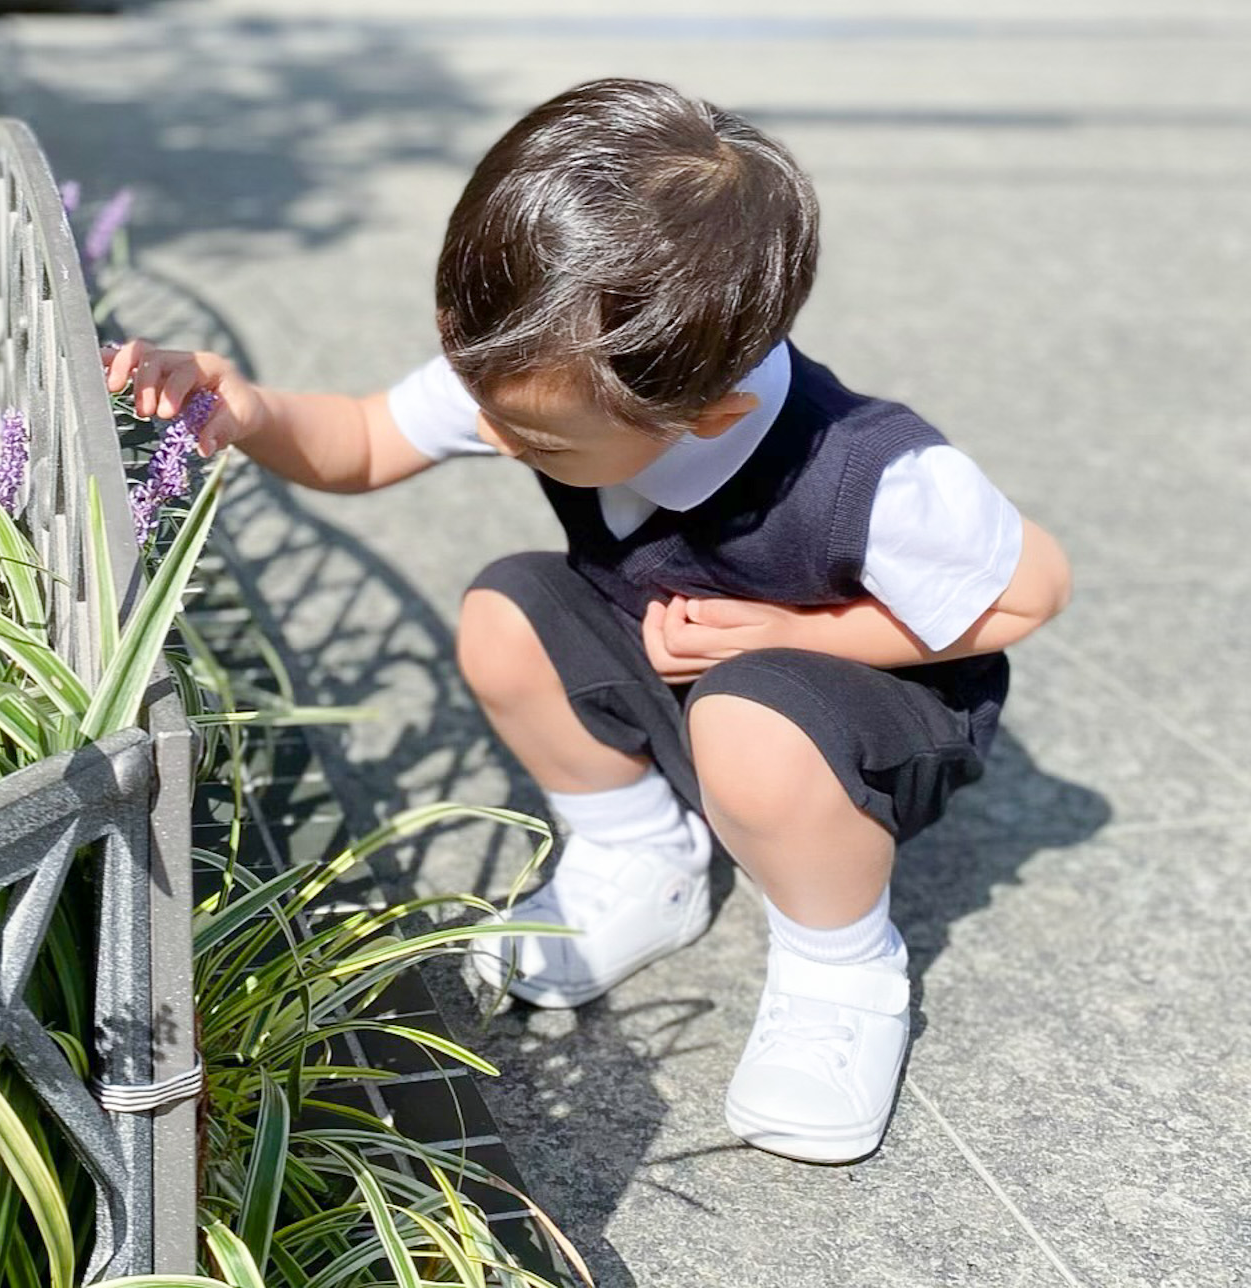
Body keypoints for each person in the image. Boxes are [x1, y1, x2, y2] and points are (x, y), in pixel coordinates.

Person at [102, 78, 1072, 1165]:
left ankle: (839, 962)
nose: (501, 443)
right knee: (505, 614)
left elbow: (1028, 588)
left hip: (854, 725)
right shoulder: (540, 370)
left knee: (751, 724)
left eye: (539, 441)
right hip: (690, 680)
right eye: (487, 406)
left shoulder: (863, 470)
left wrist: (789, 636)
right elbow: (368, 440)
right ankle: (639, 858)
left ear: (707, 414)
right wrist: (247, 412)